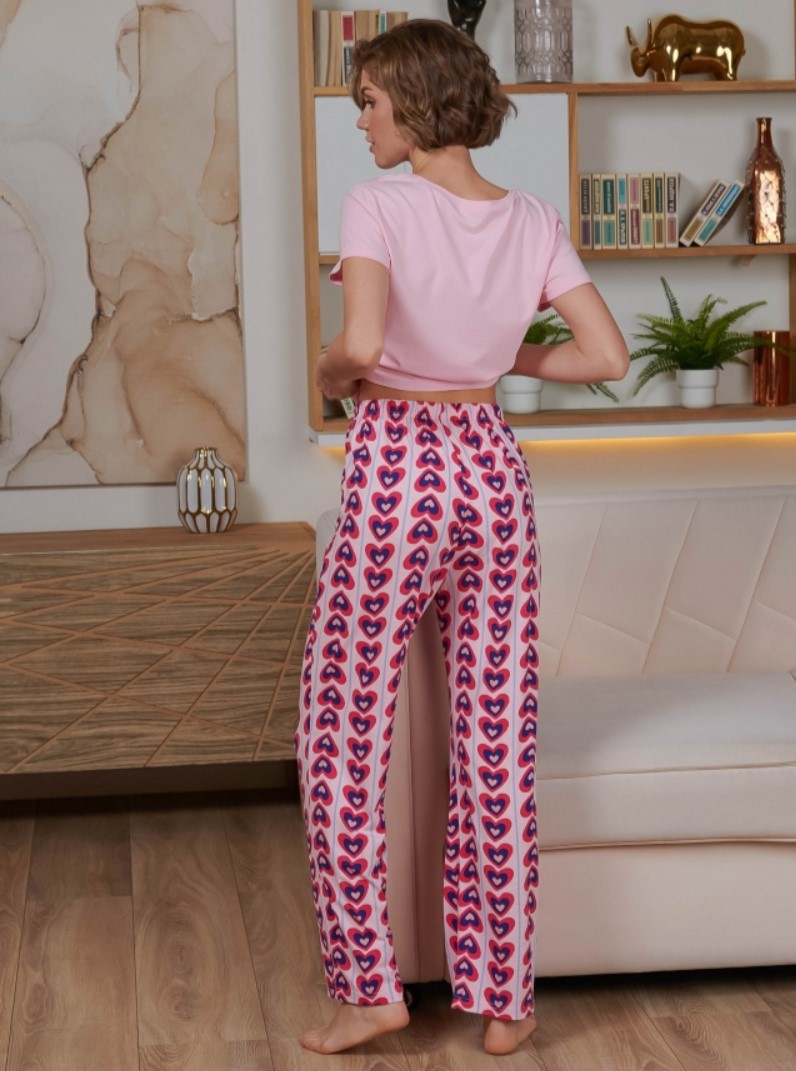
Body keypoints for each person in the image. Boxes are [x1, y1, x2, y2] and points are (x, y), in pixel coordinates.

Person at [295, 18, 629, 1057]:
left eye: (370, 102)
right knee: (497, 736)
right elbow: (606, 356)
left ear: (414, 101)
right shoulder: (530, 217)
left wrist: (329, 372)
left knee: (341, 730)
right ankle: (503, 997)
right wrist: (491, 357)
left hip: (399, 464)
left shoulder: (380, 203)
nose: (362, 122)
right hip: (491, 468)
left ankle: (370, 989)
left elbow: (359, 344)